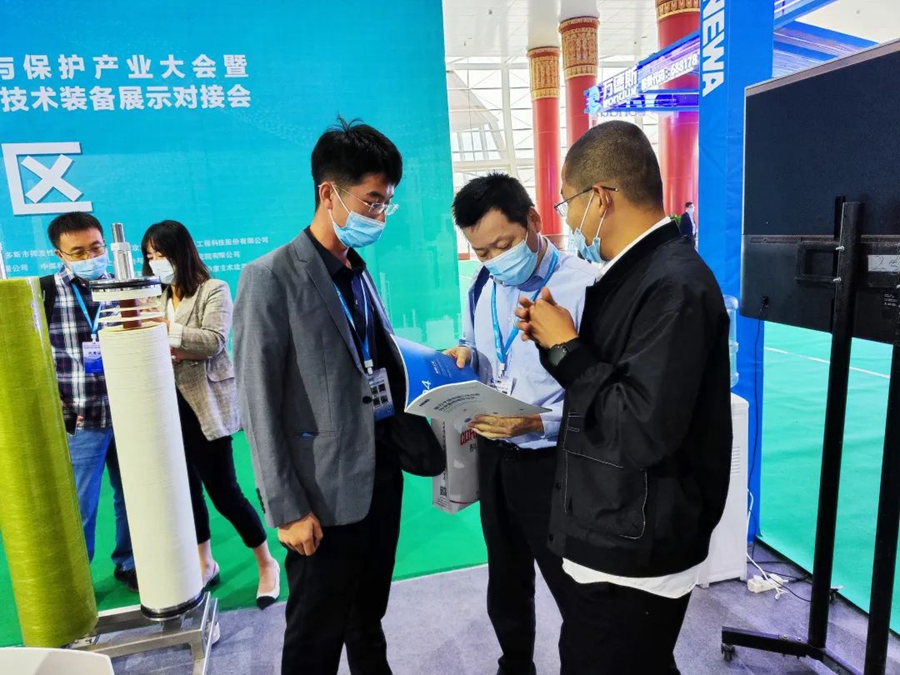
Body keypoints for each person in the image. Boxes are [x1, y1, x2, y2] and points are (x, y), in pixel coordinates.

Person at [515, 121, 732, 674]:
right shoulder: (636, 274)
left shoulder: (673, 285)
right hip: (613, 520)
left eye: (568, 204)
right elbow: (609, 383)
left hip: (637, 538)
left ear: (601, 198)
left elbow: (640, 426)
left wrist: (568, 347)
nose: (568, 221)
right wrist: (554, 343)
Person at [233, 117, 443, 675]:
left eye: (386, 203)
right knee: (315, 636)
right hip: (319, 495)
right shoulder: (270, 277)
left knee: (367, 616)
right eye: (372, 201)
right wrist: (286, 508)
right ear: (329, 193)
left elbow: (372, 361)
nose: (380, 215)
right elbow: (257, 404)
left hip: (380, 475)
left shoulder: (358, 271)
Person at [445, 173, 597, 675]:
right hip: (495, 456)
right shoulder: (481, 285)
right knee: (506, 578)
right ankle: (514, 665)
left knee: (576, 589)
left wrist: (538, 423)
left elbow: (600, 394)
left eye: (503, 244)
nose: (494, 260)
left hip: (556, 464)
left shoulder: (585, 285)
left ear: (533, 220)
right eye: (481, 251)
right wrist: (465, 357)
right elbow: (478, 350)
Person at [140, 220, 280, 609]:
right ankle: (205, 563)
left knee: (225, 494)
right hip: (166, 409)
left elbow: (214, 342)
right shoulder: (156, 295)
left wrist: (167, 332)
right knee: (187, 493)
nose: (155, 262)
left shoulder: (213, 289)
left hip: (205, 408)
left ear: (181, 252)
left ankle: (266, 563)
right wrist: (170, 341)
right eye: (149, 255)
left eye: (161, 253)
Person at [43, 212, 137, 592]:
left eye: (96, 248)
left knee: (132, 496)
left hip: (128, 413)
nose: (90, 257)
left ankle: (130, 562)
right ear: (60, 254)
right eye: (78, 252)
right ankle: (77, 582)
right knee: (80, 505)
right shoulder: (44, 292)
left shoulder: (122, 286)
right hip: (81, 418)